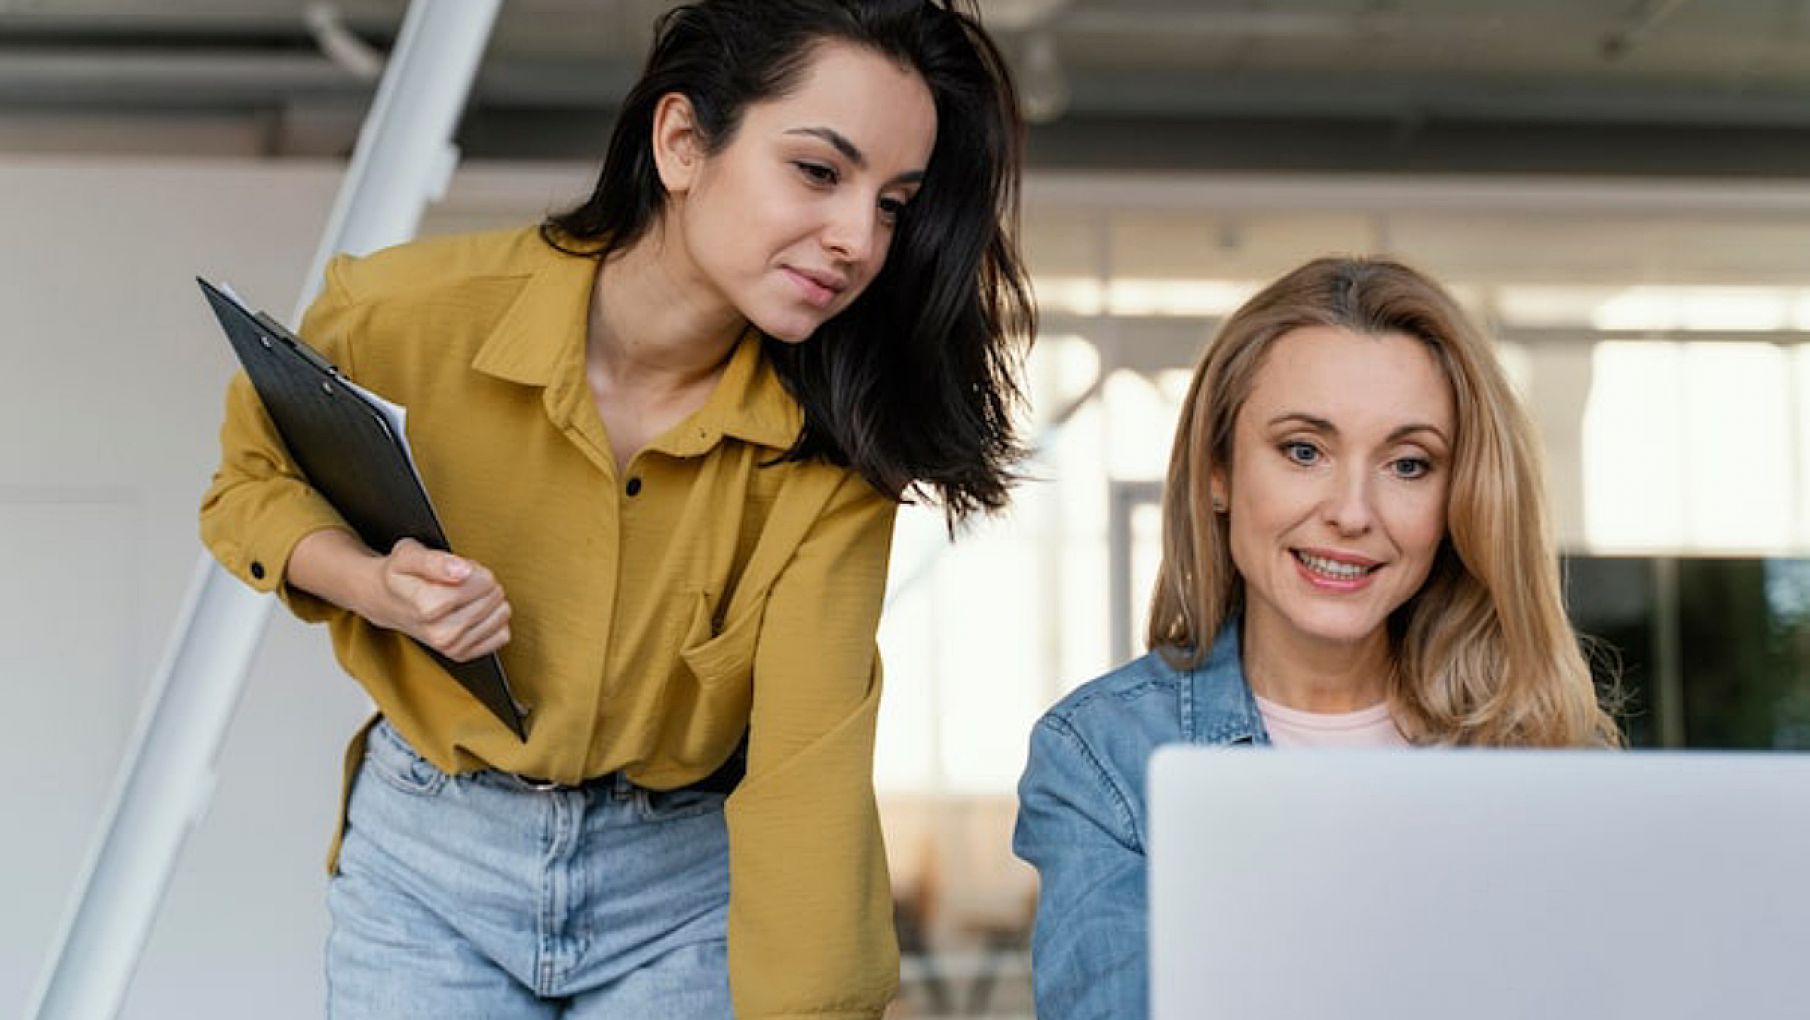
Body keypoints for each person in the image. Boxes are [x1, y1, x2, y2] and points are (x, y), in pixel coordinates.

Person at [199, 1, 1032, 1016]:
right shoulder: (397, 315)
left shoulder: (835, 449)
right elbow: (250, 486)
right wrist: (372, 583)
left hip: (683, 890)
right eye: (818, 171)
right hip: (427, 868)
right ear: (682, 142)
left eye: (894, 203)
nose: (858, 237)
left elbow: (805, 772)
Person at [1012, 256, 1620, 1019]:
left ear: (1459, 497)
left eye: (1408, 463)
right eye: (1304, 450)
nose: (1352, 511)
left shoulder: (1548, 755)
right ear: (1218, 470)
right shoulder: (1106, 753)